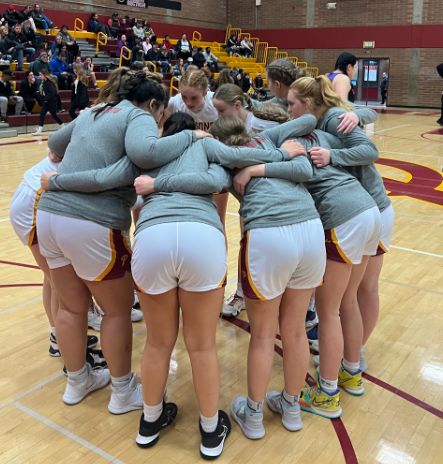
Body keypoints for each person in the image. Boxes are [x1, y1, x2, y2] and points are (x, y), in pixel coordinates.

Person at [35, 69, 211, 412]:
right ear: (154, 104)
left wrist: (64, 175)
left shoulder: (98, 110)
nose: (160, 120)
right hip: (91, 221)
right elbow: (144, 156)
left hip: (50, 217)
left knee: (71, 307)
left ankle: (77, 382)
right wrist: (191, 138)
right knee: (116, 312)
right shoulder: (138, 115)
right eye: (161, 115)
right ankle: (122, 391)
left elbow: (55, 145)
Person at [32, 69, 63, 135]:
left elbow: (52, 92)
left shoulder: (49, 82)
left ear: (45, 75)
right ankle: (39, 130)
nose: (40, 76)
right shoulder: (44, 82)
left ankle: (63, 127)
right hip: (46, 102)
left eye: (41, 75)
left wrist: (45, 98)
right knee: (42, 115)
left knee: (54, 116)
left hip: (52, 101)